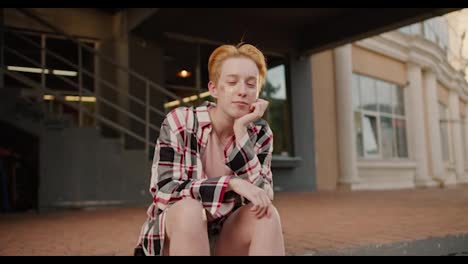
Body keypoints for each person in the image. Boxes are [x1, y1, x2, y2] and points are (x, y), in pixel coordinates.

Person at [136, 43, 285, 256]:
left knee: (266, 214)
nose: (242, 91)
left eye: (251, 84)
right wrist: (231, 183)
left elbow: (263, 194)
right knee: (190, 210)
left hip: (225, 238)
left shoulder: (259, 132)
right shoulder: (182, 121)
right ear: (213, 88)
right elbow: (164, 189)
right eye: (232, 82)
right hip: (177, 237)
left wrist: (241, 132)